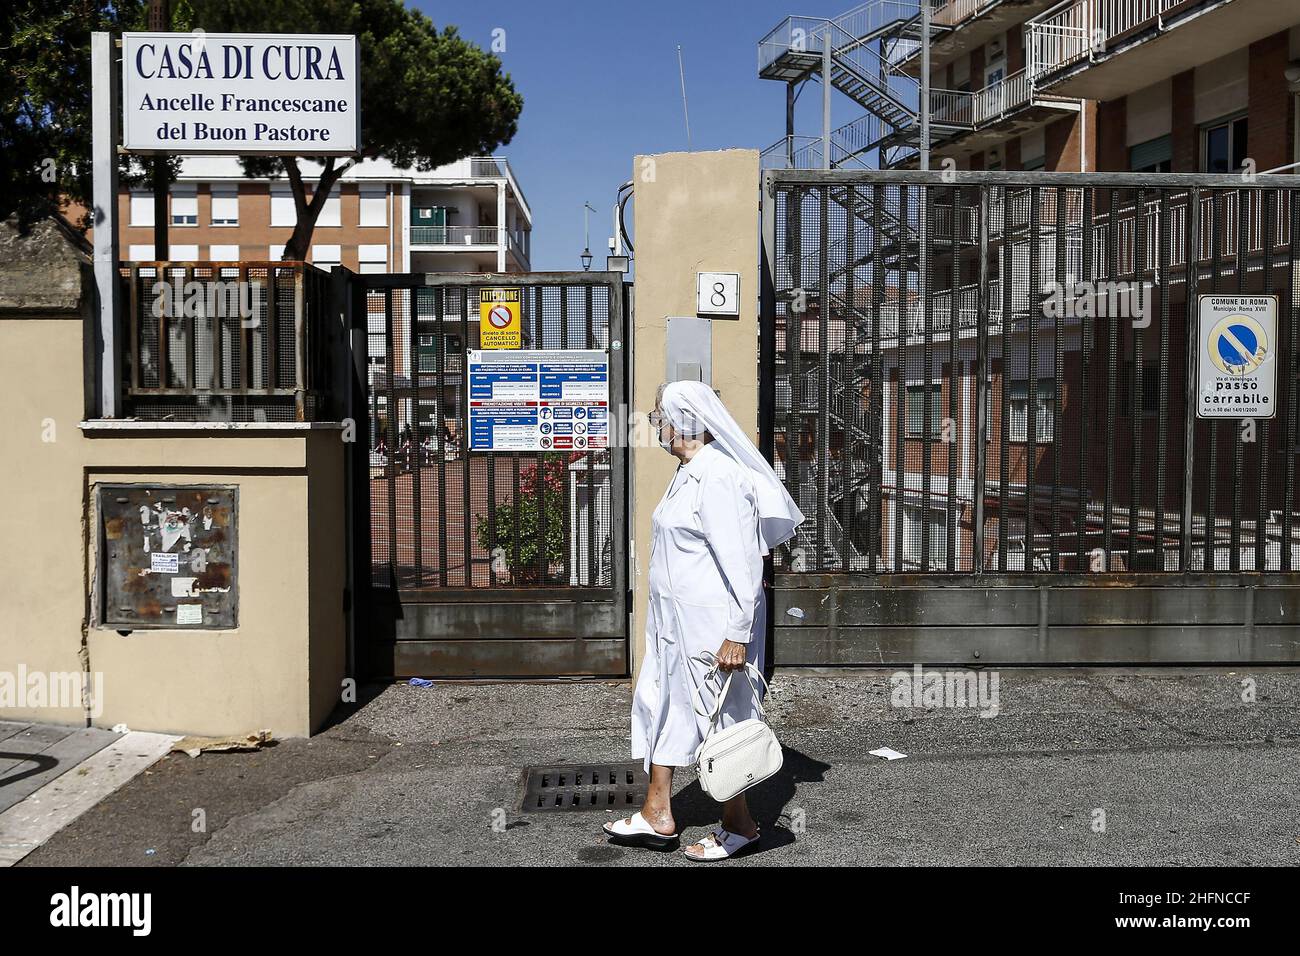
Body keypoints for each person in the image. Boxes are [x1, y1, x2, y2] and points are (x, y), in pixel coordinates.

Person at [603, 381, 804, 861]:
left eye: (659, 417)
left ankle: (742, 825)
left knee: (720, 725)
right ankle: (658, 813)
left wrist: (737, 634)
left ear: (684, 422)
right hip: (674, 627)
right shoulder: (688, 471)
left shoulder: (719, 476)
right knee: (665, 707)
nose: (655, 426)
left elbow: (742, 564)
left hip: (711, 631)